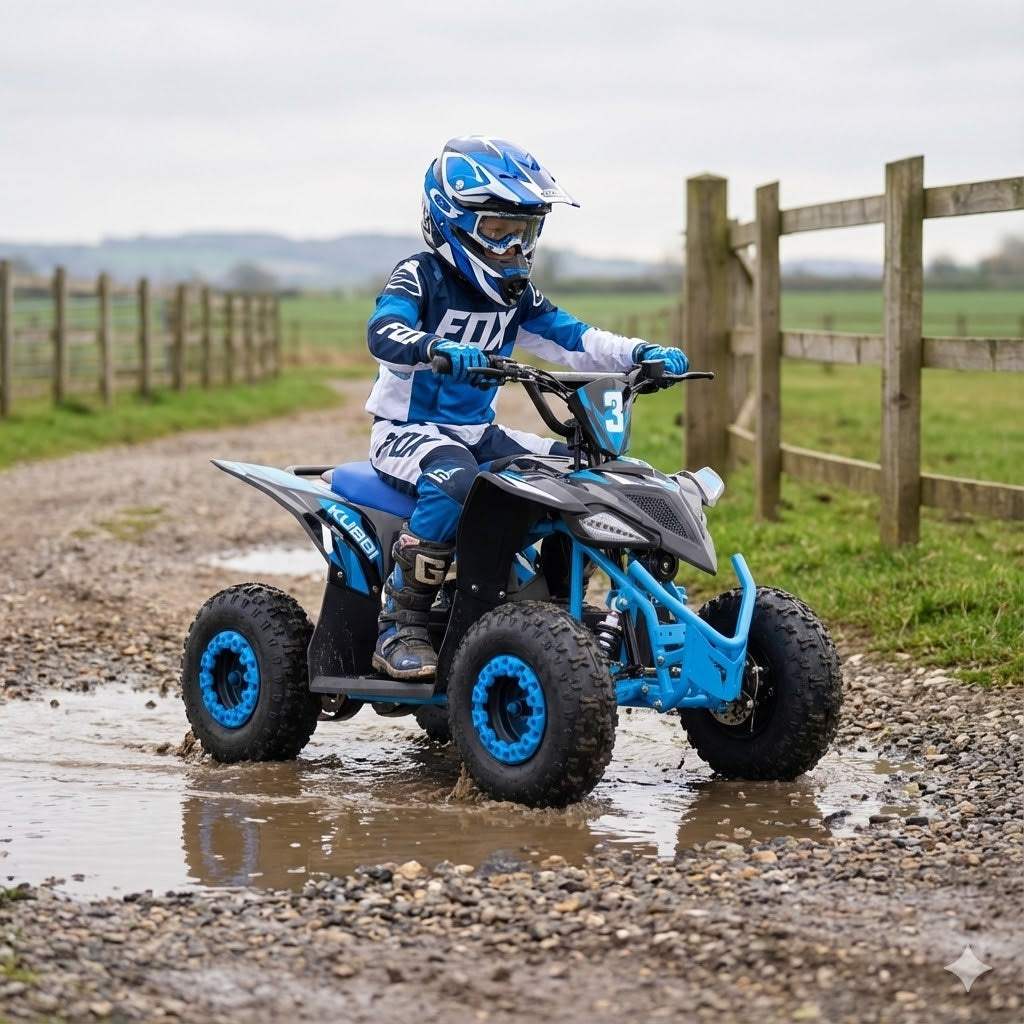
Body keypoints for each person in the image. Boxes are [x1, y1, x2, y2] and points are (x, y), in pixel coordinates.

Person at [359, 136, 688, 680]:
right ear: (449, 220)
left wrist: (640, 353)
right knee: (454, 482)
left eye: (525, 232)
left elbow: (577, 339)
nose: (513, 247)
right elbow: (382, 331)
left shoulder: (517, 296)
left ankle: (555, 618)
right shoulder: (420, 275)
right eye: (497, 230)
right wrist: (436, 348)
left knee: (579, 476)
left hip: (478, 432)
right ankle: (401, 624)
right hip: (407, 431)